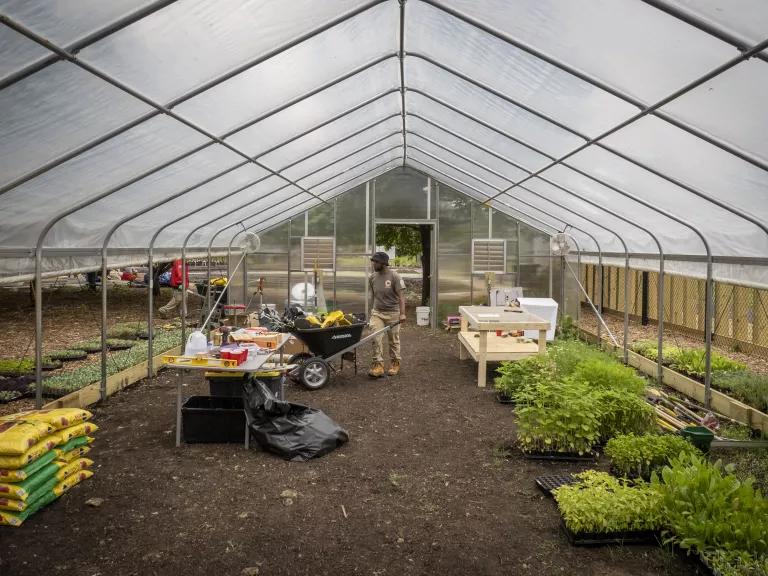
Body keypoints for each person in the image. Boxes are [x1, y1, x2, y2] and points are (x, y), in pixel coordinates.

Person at [368, 251, 407, 378]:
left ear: (383, 263)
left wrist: (402, 314)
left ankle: (395, 363)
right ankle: (378, 365)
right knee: (375, 338)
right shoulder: (372, 277)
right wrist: (371, 311)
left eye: (376, 261)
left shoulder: (395, 277)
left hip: (393, 313)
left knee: (393, 340)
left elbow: (401, 297)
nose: (373, 264)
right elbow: (372, 296)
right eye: (373, 261)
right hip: (377, 313)